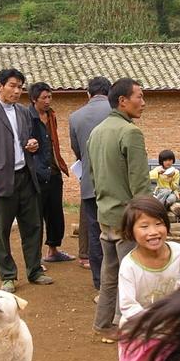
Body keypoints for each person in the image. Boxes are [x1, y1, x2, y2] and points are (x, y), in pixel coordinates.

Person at [0, 68, 54, 293]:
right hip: (2, 180)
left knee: (33, 226)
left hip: (26, 177)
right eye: (12, 86)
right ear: (0, 86)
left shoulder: (23, 112)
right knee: (2, 230)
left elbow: (28, 141)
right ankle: (8, 276)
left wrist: (32, 145)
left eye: (20, 87)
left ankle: (35, 270)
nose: (17, 91)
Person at [88, 77, 151, 341]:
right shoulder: (131, 133)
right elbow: (140, 183)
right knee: (131, 273)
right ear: (123, 101)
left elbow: (91, 176)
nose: (143, 103)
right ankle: (125, 326)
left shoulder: (97, 131)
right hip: (127, 217)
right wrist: (147, 219)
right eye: (139, 97)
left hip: (105, 213)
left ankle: (104, 324)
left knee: (110, 270)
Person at [117, 196, 180, 361]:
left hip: (171, 336)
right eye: (144, 226)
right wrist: (160, 318)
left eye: (158, 223)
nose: (153, 231)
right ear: (130, 232)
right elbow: (128, 306)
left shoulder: (177, 252)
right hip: (137, 338)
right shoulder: (129, 266)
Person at [69, 76, 112, 291]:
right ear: (110, 92)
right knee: (120, 230)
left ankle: (99, 282)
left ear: (88, 93)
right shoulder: (118, 111)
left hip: (90, 184)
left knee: (95, 232)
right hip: (117, 184)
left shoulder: (75, 117)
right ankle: (119, 279)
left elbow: (77, 151)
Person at [28, 81, 75, 264]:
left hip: (53, 171)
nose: (48, 101)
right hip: (37, 173)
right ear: (34, 99)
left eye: (50, 97)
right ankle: (34, 259)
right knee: (36, 217)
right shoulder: (27, 116)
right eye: (44, 98)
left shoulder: (51, 115)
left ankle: (53, 250)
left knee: (55, 213)